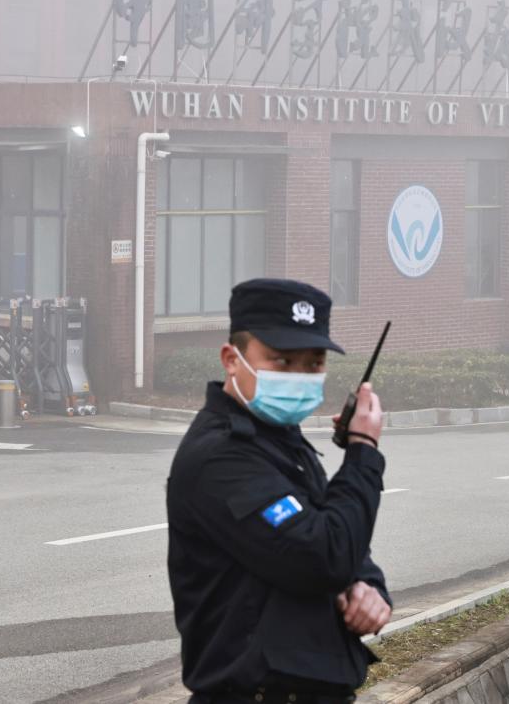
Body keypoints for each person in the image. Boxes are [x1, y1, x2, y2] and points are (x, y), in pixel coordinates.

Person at [166, 278, 392, 704]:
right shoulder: (221, 458)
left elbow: (341, 539)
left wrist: (367, 585)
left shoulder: (281, 440)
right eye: (282, 361)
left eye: (313, 363)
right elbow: (321, 555)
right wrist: (362, 451)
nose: (300, 376)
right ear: (232, 359)